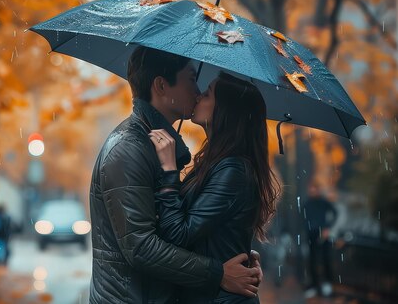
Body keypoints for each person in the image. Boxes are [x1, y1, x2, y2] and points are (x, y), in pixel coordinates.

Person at [89, 47, 263, 304]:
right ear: (161, 85)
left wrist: (238, 251)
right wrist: (219, 273)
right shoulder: (129, 149)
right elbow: (141, 247)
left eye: (205, 90)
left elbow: (185, 228)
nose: (197, 92)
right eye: (192, 80)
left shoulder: (161, 148)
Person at [149, 72, 281, 303]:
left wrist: (169, 171)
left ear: (226, 111)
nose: (198, 96)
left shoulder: (233, 170)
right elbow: (211, 231)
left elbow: (178, 234)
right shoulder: (216, 162)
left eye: (208, 94)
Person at [302, 182, 337, 298]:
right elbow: (303, 218)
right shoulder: (307, 204)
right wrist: (307, 229)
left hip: (323, 234)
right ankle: (314, 286)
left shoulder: (323, 202)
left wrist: (327, 228)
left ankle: (327, 284)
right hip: (311, 235)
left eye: (314, 189)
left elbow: (335, 213)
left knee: (325, 258)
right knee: (312, 261)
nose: (312, 191)